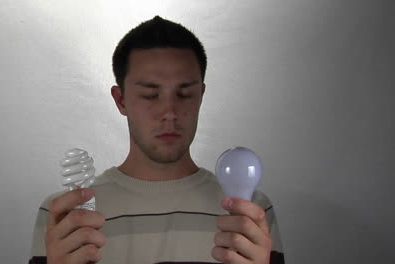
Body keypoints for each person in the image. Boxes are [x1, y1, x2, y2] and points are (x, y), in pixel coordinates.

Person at [29, 16, 285, 264]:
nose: (169, 113)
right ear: (121, 100)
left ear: (201, 96)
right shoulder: (66, 218)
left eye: (184, 94)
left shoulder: (250, 212)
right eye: (150, 95)